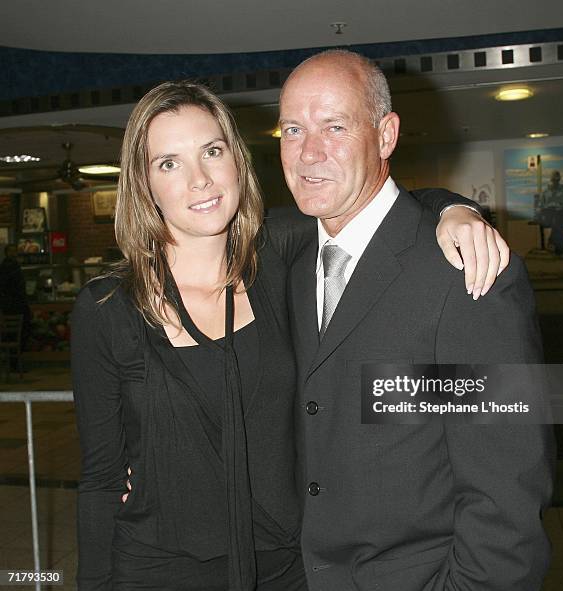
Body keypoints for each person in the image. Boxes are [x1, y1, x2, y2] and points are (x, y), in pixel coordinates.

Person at [72, 81, 507, 591]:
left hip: (288, 567)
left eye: (212, 152)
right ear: (143, 184)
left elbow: (382, 207)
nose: (200, 180)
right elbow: (101, 479)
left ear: (237, 159)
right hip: (158, 568)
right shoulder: (108, 308)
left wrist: (456, 209)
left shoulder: (281, 258)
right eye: (169, 163)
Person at [279, 50, 555, 591]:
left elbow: (506, 494)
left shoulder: (464, 273)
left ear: (385, 136)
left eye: (334, 126)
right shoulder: (281, 260)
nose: (308, 152)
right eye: (292, 129)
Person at [0, 243, 31, 366]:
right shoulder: (12, 267)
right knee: (20, 332)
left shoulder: (5, 267)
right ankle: (14, 362)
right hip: (16, 304)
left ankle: (12, 362)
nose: (14, 253)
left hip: (10, 305)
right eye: (12, 251)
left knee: (12, 334)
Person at [538, 170, 563, 256]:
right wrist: (548, 207)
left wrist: (561, 207)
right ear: (551, 180)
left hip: (561, 214)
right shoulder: (545, 192)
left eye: (556, 180)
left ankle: (552, 242)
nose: (555, 182)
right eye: (554, 180)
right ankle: (562, 248)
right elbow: (541, 206)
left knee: (557, 221)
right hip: (549, 215)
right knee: (558, 223)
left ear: (559, 180)